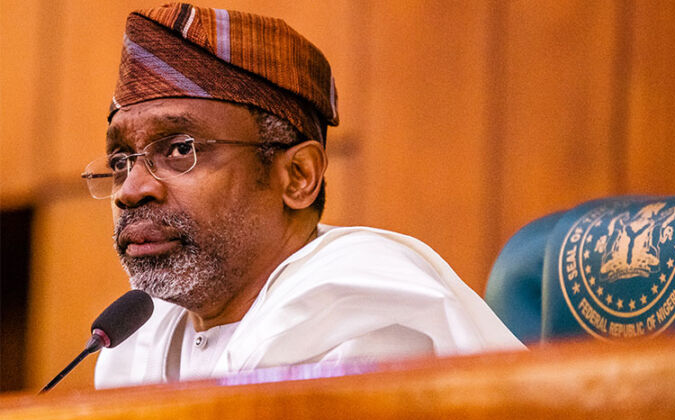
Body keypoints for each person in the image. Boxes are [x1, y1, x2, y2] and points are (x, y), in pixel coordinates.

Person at [88, 3, 523, 388]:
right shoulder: (132, 341)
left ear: (298, 176)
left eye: (181, 149)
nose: (131, 190)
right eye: (122, 160)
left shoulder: (361, 310)